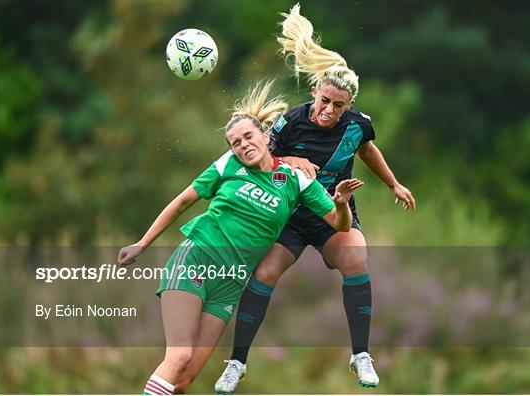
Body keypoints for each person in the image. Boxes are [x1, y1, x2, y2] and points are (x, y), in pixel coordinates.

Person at [214, 4, 416, 393]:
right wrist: (291, 159)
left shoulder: (359, 125)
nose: (328, 110)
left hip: (331, 215)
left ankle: (360, 355)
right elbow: (261, 160)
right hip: (289, 216)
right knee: (264, 274)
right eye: (324, 101)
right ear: (314, 92)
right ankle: (236, 363)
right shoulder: (290, 121)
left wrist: (393, 184)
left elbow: (368, 150)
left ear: (349, 106)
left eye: (338, 106)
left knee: (357, 256)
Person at [117, 80, 364, 395]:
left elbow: (340, 224)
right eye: (235, 142)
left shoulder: (293, 179)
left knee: (183, 381)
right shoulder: (228, 164)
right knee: (178, 356)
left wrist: (341, 202)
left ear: (265, 135)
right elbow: (181, 203)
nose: (243, 145)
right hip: (197, 259)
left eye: (248, 136)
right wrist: (141, 243)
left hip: (230, 282)